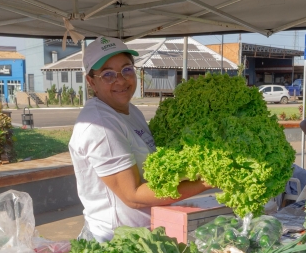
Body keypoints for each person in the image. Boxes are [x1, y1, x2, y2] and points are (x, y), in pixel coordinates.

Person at [69, 37, 211, 242]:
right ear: (91, 82)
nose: (120, 80)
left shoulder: (130, 111)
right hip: (115, 242)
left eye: (126, 69)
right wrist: (206, 181)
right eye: (108, 74)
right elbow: (134, 196)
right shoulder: (100, 126)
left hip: (145, 234)